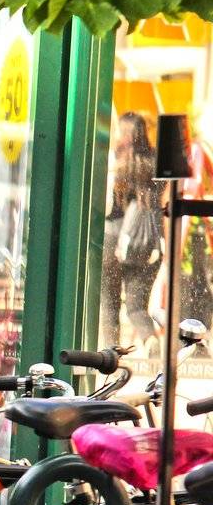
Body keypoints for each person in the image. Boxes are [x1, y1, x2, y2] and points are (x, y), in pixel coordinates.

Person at [102, 111, 162, 349]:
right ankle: (149, 341)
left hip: (111, 239)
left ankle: (112, 355)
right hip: (142, 241)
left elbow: (104, 207)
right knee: (136, 305)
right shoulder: (152, 163)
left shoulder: (114, 162)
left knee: (109, 303)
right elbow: (160, 204)